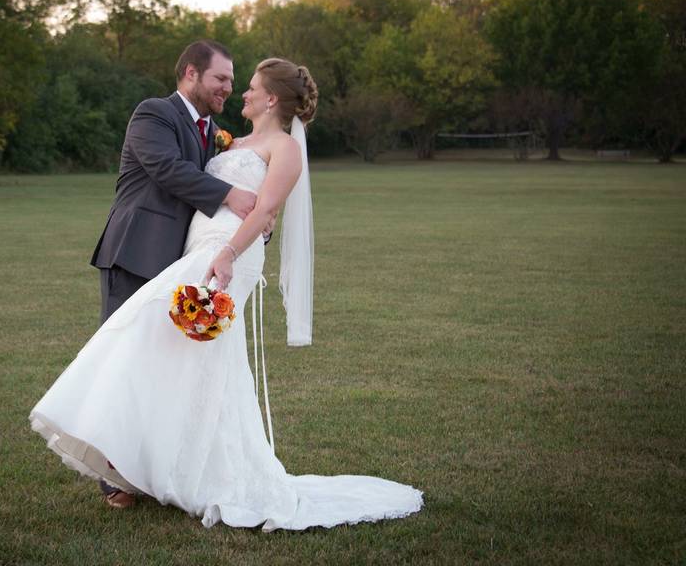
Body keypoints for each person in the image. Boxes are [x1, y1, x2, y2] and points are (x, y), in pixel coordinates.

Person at [30, 58, 424, 531]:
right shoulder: (231, 141)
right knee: (178, 355)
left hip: (224, 255)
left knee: (151, 332)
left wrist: (230, 255)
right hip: (198, 247)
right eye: (236, 83)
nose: (242, 94)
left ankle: (151, 459)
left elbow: (264, 212)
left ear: (272, 99)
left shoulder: (284, 148)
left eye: (251, 88)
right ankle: (154, 462)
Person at [89, 40, 258, 507]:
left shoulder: (212, 130)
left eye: (231, 79)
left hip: (181, 264)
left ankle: (150, 469)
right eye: (221, 78)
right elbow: (166, 168)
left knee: (164, 371)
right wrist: (231, 196)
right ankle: (114, 478)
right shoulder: (154, 114)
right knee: (123, 364)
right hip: (136, 252)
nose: (229, 86)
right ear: (190, 73)